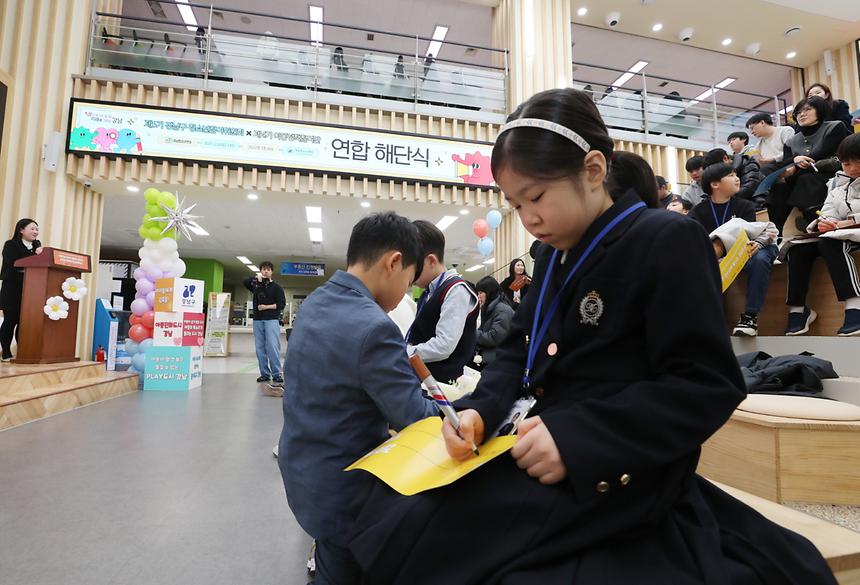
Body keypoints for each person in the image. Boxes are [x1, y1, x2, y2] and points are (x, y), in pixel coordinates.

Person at [349, 88, 835, 585]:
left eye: (536, 197)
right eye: (516, 205)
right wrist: (480, 411)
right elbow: (519, 348)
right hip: (534, 446)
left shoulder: (665, 240)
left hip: (616, 467)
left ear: (594, 170)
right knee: (397, 515)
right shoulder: (555, 255)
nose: (529, 218)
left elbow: (706, 383)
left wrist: (580, 437)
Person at [277, 212, 437, 585]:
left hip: (306, 473)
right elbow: (417, 417)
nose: (403, 298)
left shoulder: (316, 302)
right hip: (345, 493)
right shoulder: (374, 327)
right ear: (393, 262)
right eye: (409, 283)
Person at [784, 133, 860, 336]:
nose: (851, 168)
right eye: (846, 163)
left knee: (831, 244)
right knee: (798, 249)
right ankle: (798, 311)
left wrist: (846, 222)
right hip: (843, 233)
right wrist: (823, 222)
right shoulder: (836, 185)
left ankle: (855, 306)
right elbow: (827, 211)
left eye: (857, 162)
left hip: (851, 234)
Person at [690, 163, 778, 336]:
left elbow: (751, 233)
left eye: (736, 174)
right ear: (715, 184)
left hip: (744, 252)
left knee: (760, 259)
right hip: (714, 258)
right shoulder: (698, 211)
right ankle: (714, 322)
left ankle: (750, 316)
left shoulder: (745, 206)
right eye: (730, 175)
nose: (737, 178)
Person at [406, 220, 479, 382]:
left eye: (414, 268)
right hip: (427, 379)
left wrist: (405, 352)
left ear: (431, 261)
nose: (410, 275)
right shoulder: (429, 292)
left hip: (445, 384)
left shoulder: (456, 289)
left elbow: (444, 345)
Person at [776, 96, 852, 234]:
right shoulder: (791, 141)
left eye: (807, 110)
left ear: (820, 111)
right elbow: (785, 163)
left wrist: (796, 162)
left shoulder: (835, 126)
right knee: (777, 189)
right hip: (800, 175)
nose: (802, 114)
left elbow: (824, 154)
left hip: (829, 171)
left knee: (807, 180)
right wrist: (795, 159)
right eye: (798, 112)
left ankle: (815, 223)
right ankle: (778, 232)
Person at [0, 218, 42, 361]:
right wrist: (35, 255)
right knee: (10, 320)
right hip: (12, 289)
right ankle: (5, 353)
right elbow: (13, 263)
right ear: (21, 230)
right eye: (32, 228)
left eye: (37, 229)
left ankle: (23, 352)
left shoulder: (37, 245)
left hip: (30, 290)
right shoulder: (11, 245)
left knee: (24, 322)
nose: (35, 232)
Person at [243, 261, 285, 384]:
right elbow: (245, 281)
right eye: (263, 269)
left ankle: (277, 374)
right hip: (258, 320)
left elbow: (281, 305)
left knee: (272, 347)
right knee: (259, 348)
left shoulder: (277, 287)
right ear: (260, 271)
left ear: (272, 272)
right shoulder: (256, 286)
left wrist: (266, 307)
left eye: (268, 269)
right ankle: (264, 374)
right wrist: (256, 279)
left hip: (271, 320)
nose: (266, 271)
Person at [473, 275, 514, 369]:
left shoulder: (502, 310)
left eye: (480, 293)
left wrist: (472, 333)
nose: (478, 296)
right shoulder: (489, 308)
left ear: (489, 292)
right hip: (493, 357)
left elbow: (494, 337)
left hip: (500, 361)